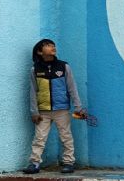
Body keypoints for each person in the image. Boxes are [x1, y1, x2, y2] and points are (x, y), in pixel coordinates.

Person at [24, 39, 84, 174]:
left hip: (61, 109)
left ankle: (68, 162)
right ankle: (34, 163)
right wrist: (34, 111)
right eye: (48, 45)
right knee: (39, 137)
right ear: (40, 51)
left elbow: (72, 88)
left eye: (53, 45)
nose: (52, 47)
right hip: (42, 111)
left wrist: (78, 107)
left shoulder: (64, 67)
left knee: (65, 136)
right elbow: (33, 91)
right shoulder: (35, 70)